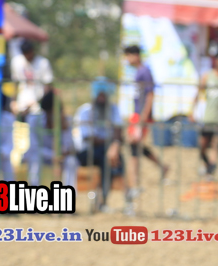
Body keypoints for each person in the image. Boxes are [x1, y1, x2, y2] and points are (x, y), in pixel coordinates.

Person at [123, 44, 170, 200]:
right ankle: (162, 167)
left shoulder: (145, 71)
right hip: (137, 114)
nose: (127, 59)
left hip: (141, 115)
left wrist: (144, 115)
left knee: (133, 145)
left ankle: (134, 184)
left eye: (128, 55)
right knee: (136, 146)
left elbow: (150, 94)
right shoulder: (139, 72)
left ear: (135, 55)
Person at [72, 79, 124, 211]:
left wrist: (115, 145)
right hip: (86, 151)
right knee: (107, 157)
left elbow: (118, 130)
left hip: (106, 150)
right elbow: (89, 138)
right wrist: (111, 143)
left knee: (113, 158)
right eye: (99, 95)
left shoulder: (113, 109)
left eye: (104, 95)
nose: (102, 99)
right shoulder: (84, 111)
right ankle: (102, 198)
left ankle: (106, 199)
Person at [10, 39, 54, 185]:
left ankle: (34, 183)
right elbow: (16, 84)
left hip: (36, 111)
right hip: (20, 111)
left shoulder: (43, 63)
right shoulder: (17, 62)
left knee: (34, 148)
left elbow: (47, 88)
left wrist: (36, 104)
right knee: (17, 147)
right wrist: (13, 102)